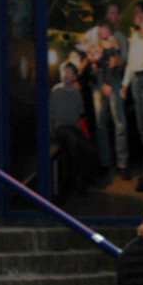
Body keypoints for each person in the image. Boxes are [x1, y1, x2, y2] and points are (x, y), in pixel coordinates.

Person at [91, 11, 130, 180]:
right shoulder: (96, 43)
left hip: (112, 84)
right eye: (101, 30)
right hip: (100, 85)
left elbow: (117, 63)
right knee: (100, 124)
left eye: (105, 29)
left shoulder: (115, 41)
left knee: (119, 123)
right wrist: (93, 64)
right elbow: (96, 65)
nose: (102, 32)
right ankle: (105, 162)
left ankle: (122, 164)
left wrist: (107, 82)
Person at [51, 62, 98, 197]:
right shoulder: (56, 90)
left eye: (69, 73)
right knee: (73, 143)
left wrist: (84, 133)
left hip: (73, 127)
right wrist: (50, 129)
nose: (66, 75)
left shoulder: (76, 92)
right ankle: (75, 180)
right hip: (60, 127)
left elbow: (80, 115)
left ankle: (85, 176)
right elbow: (50, 112)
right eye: (64, 72)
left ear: (74, 77)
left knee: (90, 148)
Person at [122, 0, 143, 193]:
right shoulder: (134, 36)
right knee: (142, 129)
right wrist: (125, 85)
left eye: (137, 13)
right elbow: (131, 63)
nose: (135, 16)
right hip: (137, 82)